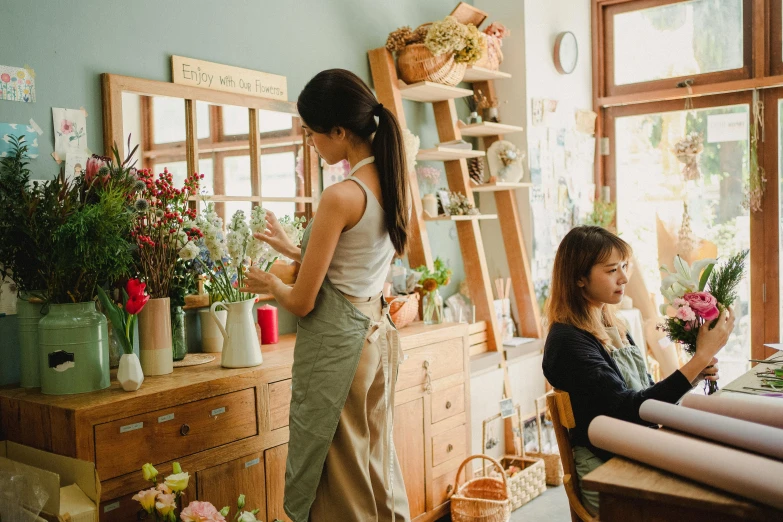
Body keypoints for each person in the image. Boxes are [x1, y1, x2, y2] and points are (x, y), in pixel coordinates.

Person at [240, 69, 411, 522]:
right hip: (373, 338)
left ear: (339, 131)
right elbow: (354, 263)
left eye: (313, 133)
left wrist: (270, 284)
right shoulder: (390, 183)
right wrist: (296, 249)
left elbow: (302, 302)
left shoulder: (340, 195)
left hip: (339, 347)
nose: (312, 143)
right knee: (374, 461)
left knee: (339, 475)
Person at [541, 226, 734, 515]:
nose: (624, 278)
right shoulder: (567, 343)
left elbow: (644, 393)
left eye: (624, 266)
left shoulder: (614, 325)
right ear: (579, 278)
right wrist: (700, 356)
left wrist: (695, 374)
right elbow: (629, 408)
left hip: (635, 447)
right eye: (611, 270)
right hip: (606, 469)